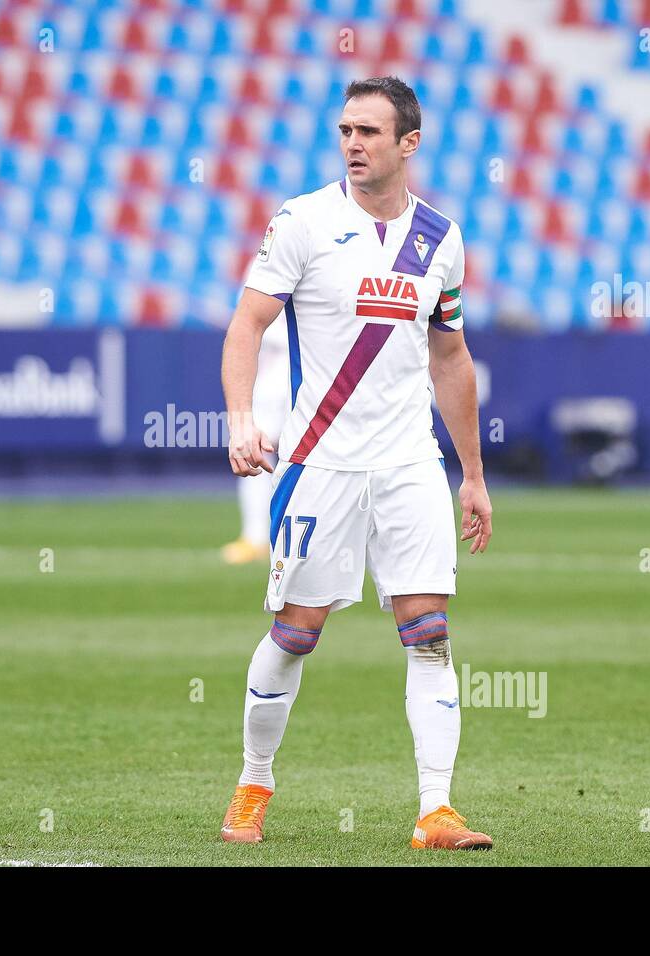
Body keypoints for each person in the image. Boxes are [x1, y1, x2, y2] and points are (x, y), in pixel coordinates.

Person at [219, 77, 495, 850]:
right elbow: (246, 326)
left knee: (431, 632)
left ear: (409, 143)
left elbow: (451, 356)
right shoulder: (303, 221)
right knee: (297, 630)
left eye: (369, 131)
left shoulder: (441, 237)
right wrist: (243, 418)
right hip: (320, 464)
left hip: (410, 465)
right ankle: (254, 781)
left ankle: (436, 810)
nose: (352, 143)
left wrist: (470, 473)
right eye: (345, 129)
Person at [219, 314, 290, 565]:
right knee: (256, 452)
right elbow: (249, 324)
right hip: (271, 383)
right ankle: (255, 536)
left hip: (310, 380)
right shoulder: (259, 275)